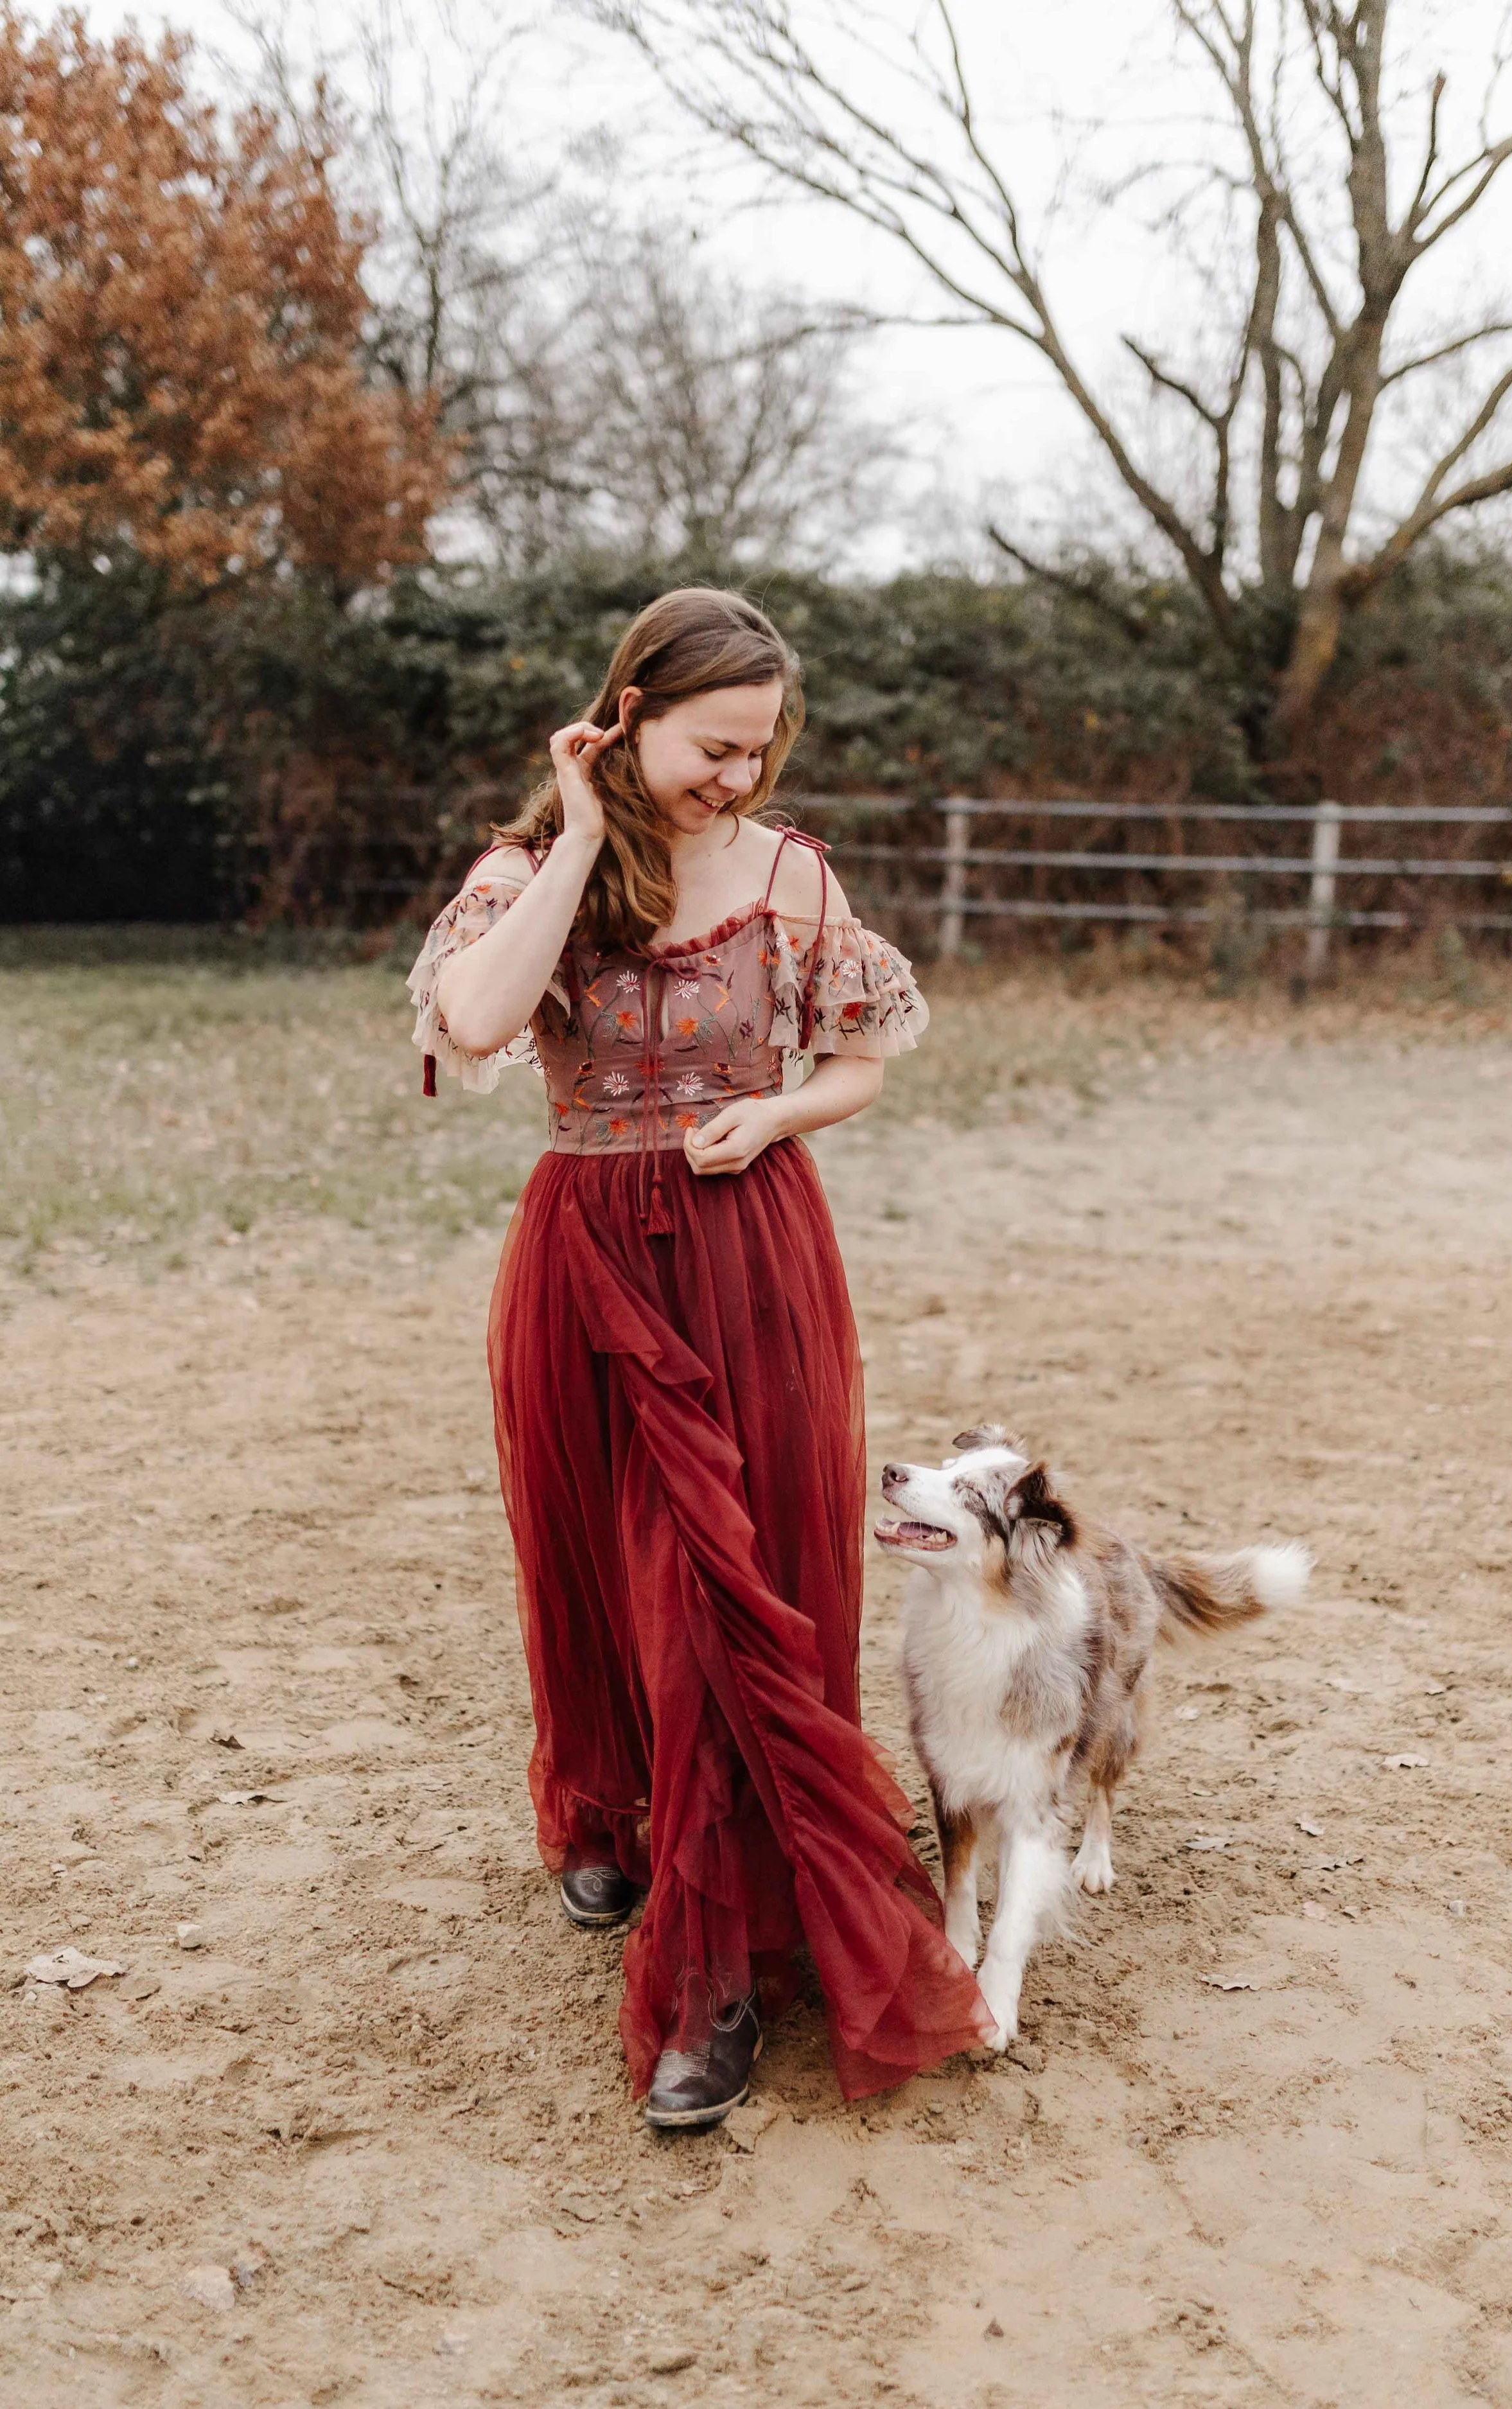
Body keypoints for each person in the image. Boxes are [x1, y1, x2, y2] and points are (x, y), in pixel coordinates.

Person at [407, 587, 994, 2129]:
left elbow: (855, 1064)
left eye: (757, 750)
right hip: (586, 1250)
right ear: (629, 715)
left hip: (751, 1251)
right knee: (601, 1559)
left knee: (730, 1581)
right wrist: (585, 833)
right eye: (711, 748)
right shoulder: (526, 871)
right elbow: (476, 1017)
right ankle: (613, 1815)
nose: (737, 778)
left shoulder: (792, 872)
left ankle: (715, 1960)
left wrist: (774, 1112)